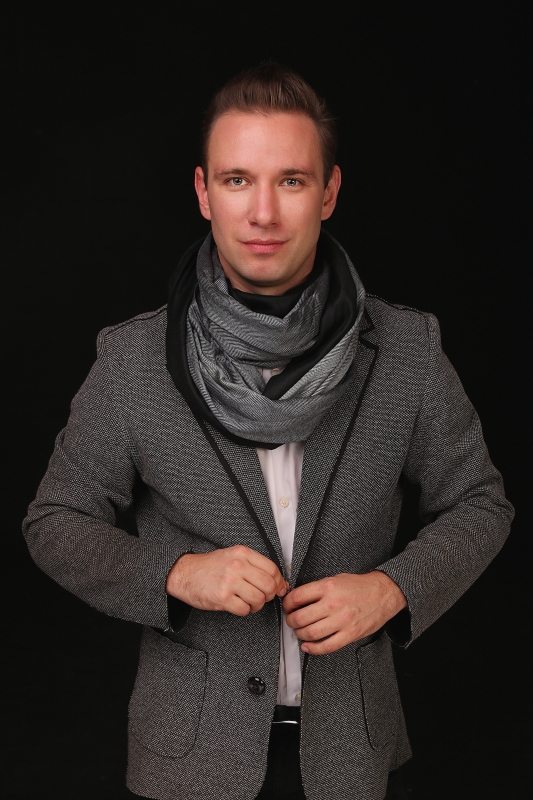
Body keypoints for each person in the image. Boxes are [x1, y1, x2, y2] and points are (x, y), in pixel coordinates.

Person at [23, 63, 514, 800]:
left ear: (329, 192)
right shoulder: (132, 360)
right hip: (188, 760)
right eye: (237, 180)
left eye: (290, 180)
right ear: (203, 193)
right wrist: (176, 575)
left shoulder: (405, 350)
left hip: (347, 755)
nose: (262, 213)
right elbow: (55, 522)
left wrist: (391, 588)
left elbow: (480, 503)